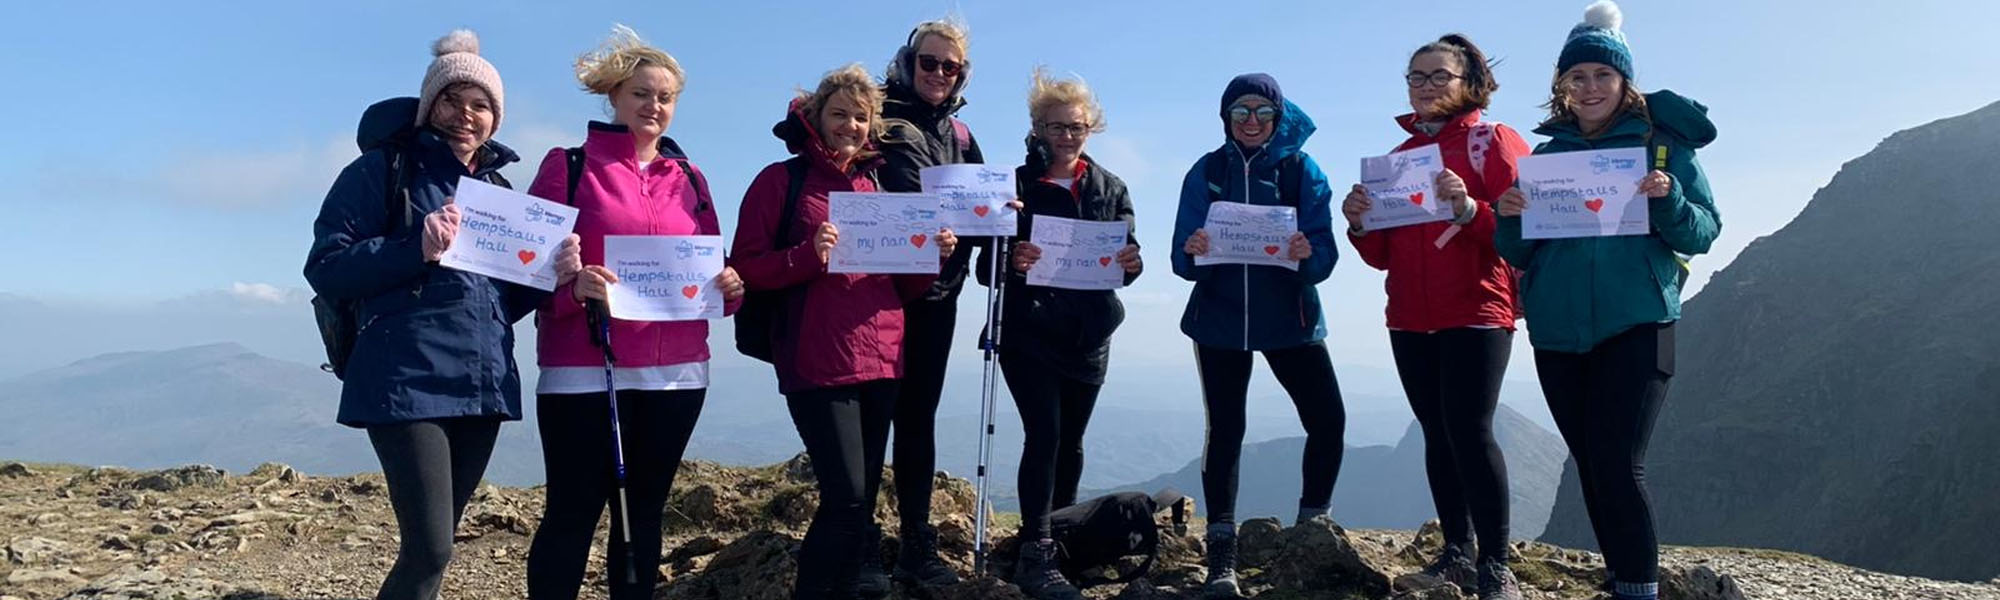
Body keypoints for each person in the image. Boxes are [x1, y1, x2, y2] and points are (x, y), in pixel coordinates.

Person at [304, 29, 580, 600]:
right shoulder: (382, 170)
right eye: (452, 100)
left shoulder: (499, 189)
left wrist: (550, 276)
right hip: (403, 381)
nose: (465, 115)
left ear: (495, 119)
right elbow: (327, 266)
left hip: (480, 386)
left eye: (480, 106)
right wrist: (416, 247)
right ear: (430, 105)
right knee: (430, 548)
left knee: (437, 544)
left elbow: (500, 303)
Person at [1494, 3, 1721, 599]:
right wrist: (1510, 216)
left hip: (1637, 323)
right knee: (1591, 465)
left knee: (1619, 464)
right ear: (1562, 88)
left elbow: (1701, 231)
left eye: (1603, 75)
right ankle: (1622, 580)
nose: (1590, 87)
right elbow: (1519, 252)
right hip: (1558, 331)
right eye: (1578, 77)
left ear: (1625, 82)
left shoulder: (1662, 148)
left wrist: (1668, 199)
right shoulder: (1545, 160)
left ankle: (1638, 589)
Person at [522, 26, 744, 600]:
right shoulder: (567, 167)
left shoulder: (691, 177)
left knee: (643, 518)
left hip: (678, 374)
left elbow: (711, 270)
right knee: (571, 516)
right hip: (582, 368)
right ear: (614, 96)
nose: (655, 106)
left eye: (665, 96)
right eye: (642, 93)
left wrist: (730, 284)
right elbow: (525, 273)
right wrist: (573, 290)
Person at [727, 64, 959, 600]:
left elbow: (899, 289)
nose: (850, 126)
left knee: (858, 503)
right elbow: (747, 266)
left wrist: (932, 257)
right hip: (815, 356)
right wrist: (808, 257)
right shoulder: (779, 182)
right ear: (815, 118)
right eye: (839, 114)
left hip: (882, 356)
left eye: (861, 117)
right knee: (847, 496)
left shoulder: (876, 184)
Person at [1340, 34, 1531, 600]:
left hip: (1477, 308)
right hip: (1409, 316)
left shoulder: (1492, 143)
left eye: (1438, 76)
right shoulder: (1397, 161)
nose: (1425, 87)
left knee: (1471, 432)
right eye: (1416, 77)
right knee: (1436, 434)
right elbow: (1382, 258)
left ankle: (1496, 566)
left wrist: (1470, 209)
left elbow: (1524, 234)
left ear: (1469, 82)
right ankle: (1456, 553)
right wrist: (1359, 225)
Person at [1169, 73, 1342, 599]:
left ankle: (1312, 528)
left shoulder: (1300, 169)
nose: (1251, 121)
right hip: (1219, 320)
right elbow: (1181, 258)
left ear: (1277, 117)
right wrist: (1195, 247)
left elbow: (1326, 254)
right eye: (1241, 111)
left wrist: (1307, 255)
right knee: (1225, 430)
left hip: (1290, 319)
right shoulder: (1208, 170)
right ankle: (1222, 551)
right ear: (1226, 117)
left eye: (1262, 112)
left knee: (1328, 420)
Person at [982, 68, 1142, 600]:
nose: (1066, 136)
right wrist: (1013, 262)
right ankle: (1037, 550)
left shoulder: (1110, 187)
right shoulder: (1016, 188)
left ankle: (1063, 541)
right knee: (1045, 435)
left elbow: (1128, 261)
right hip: (1028, 332)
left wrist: (1131, 261)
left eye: (1075, 126)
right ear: (1038, 128)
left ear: (1090, 127)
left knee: (1071, 443)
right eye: (1056, 127)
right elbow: (988, 270)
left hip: (1090, 334)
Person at [867, 18, 986, 594]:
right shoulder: (874, 113)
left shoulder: (961, 136)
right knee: (869, 419)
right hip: (871, 296)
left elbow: (983, 218)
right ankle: (860, 541)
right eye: (929, 62)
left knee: (917, 419)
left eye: (951, 66)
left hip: (938, 297)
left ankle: (915, 539)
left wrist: (1003, 215)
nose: (939, 73)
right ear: (908, 61)